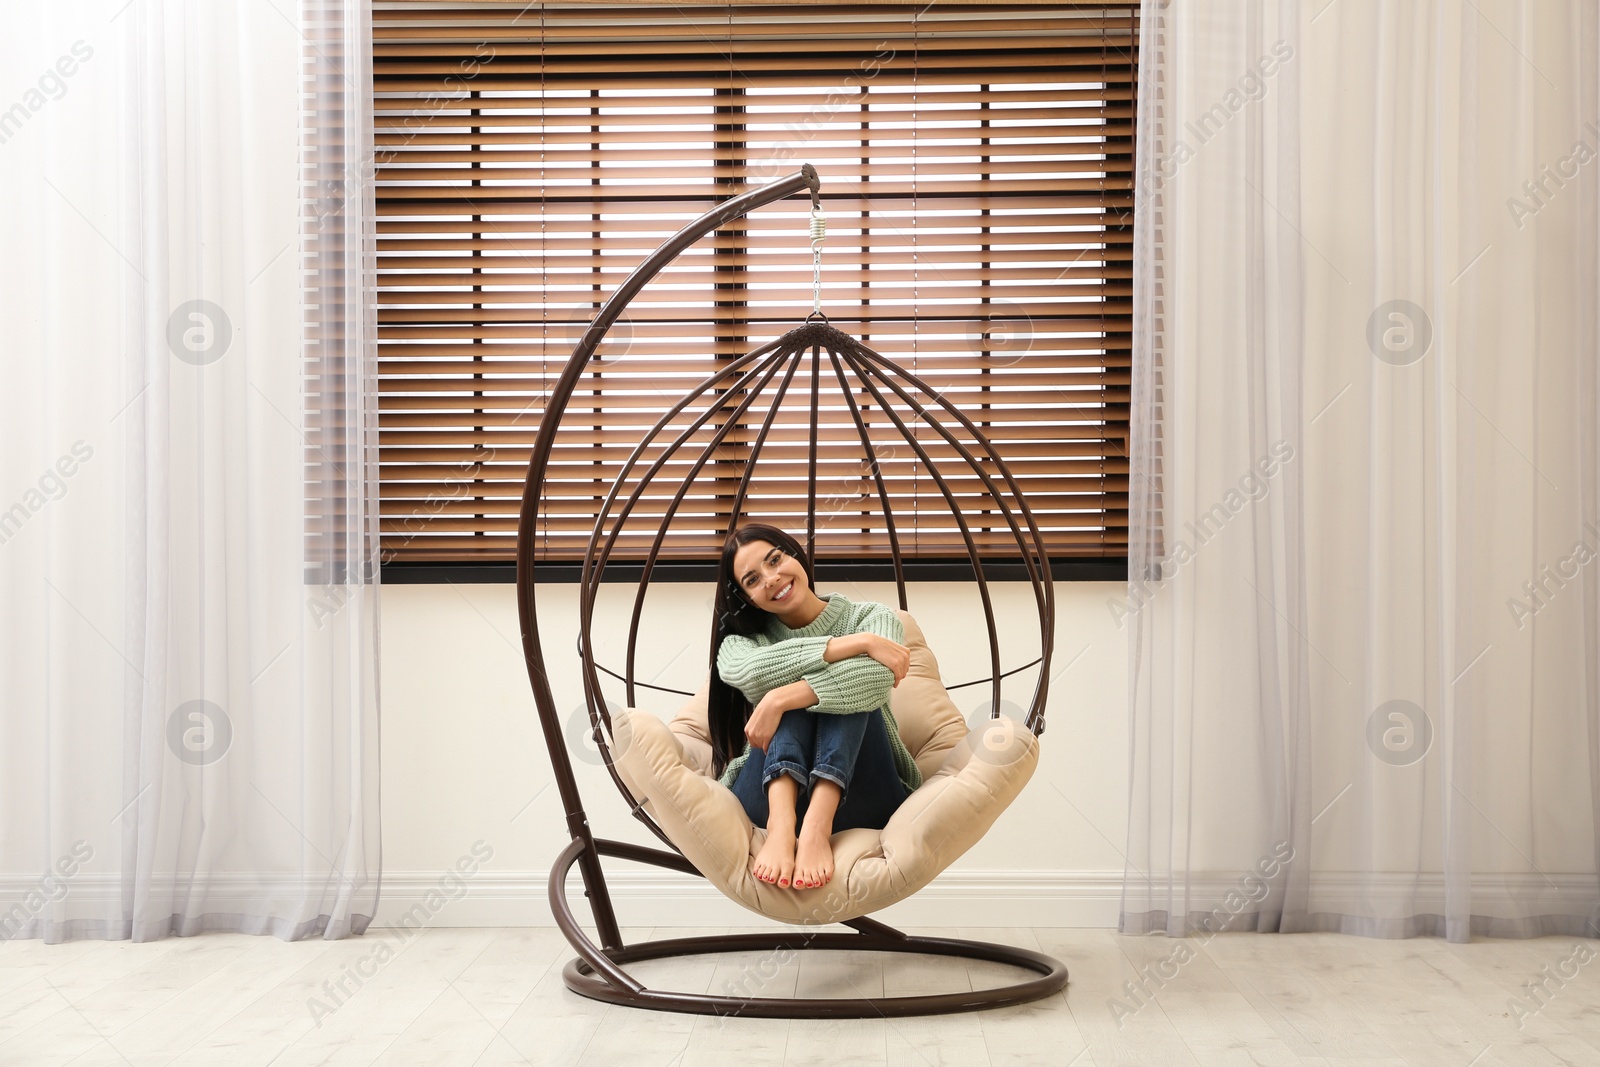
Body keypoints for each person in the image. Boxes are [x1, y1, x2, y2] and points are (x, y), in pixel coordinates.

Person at [708, 524, 923, 891]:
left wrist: (781, 697)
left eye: (775, 560)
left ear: (795, 554)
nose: (772, 579)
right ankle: (781, 826)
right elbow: (748, 671)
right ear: (747, 598)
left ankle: (816, 827)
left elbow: (873, 681)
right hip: (763, 797)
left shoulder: (873, 616)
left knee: (844, 693)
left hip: (863, 791)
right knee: (786, 686)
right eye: (753, 579)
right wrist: (856, 644)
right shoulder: (743, 643)